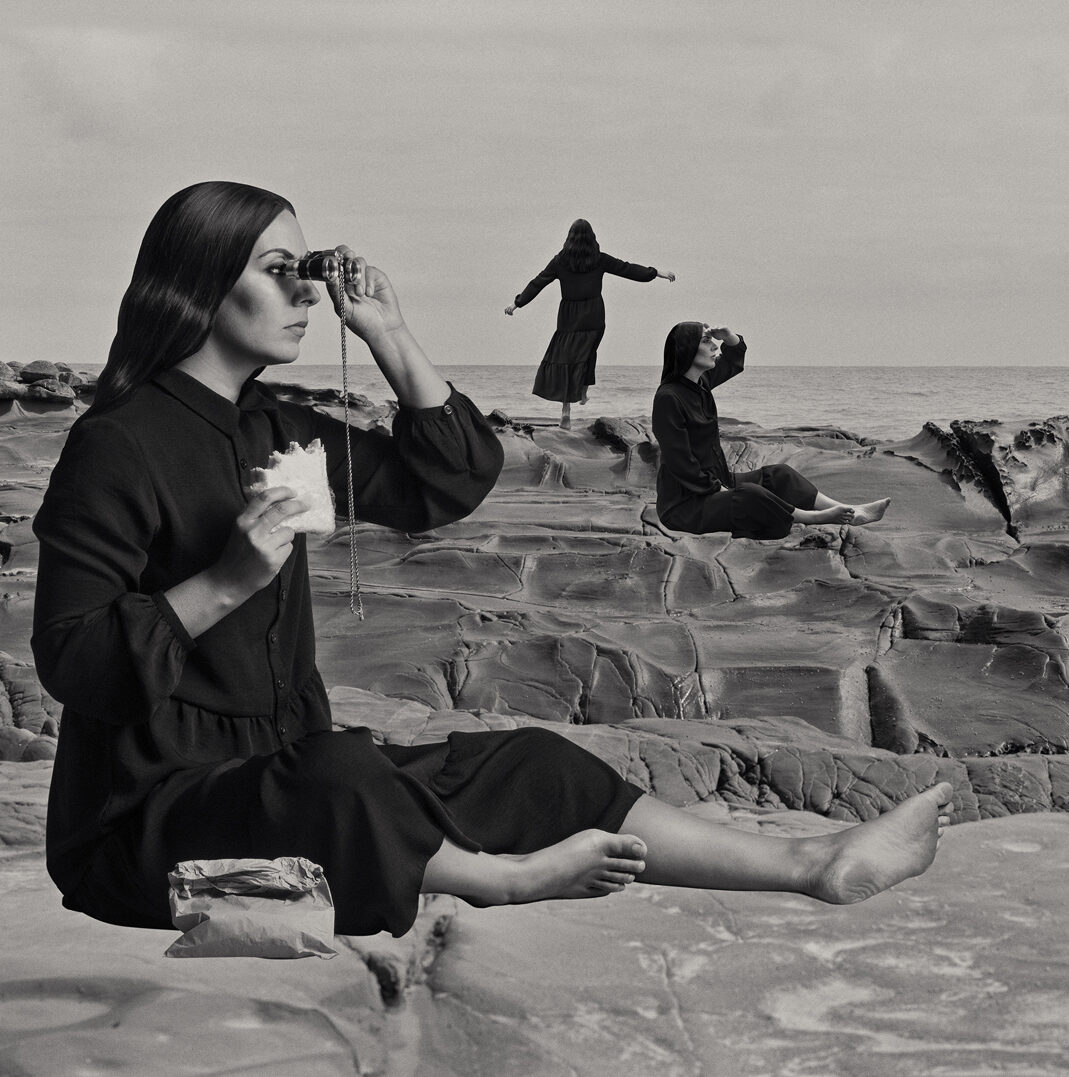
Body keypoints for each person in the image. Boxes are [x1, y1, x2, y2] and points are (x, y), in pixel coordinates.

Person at [33, 182, 950, 942]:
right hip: (140, 823)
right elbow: (71, 660)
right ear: (197, 283)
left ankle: (811, 863)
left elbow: (448, 481)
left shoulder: (274, 426)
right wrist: (228, 580)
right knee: (344, 776)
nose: (308, 294)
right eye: (282, 273)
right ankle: (498, 880)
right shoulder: (116, 444)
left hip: (282, 772)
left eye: (309, 272)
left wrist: (387, 333)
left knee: (533, 762)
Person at [653, 321, 892, 539]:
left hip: (717, 482)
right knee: (750, 494)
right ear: (686, 349)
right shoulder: (669, 398)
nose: (715, 346)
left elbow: (734, 361)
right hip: (686, 504)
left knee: (780, 474)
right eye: (706, 341)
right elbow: (679, 461)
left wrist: (728, 335)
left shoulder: (699, 384)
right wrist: (719, 490)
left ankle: (849, 510)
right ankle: (815, 518)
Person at [505, 219, 675, 429]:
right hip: (594, 314)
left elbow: (539, 282)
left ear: (569, 239)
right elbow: (627, 269)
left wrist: (517, 303)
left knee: (566, 358)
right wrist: (655, 272)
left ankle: (566, 409)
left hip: (568, 316)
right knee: (587, 352)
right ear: (592, 239)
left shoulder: (560, 261)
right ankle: (584, 391)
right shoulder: (599, 259)